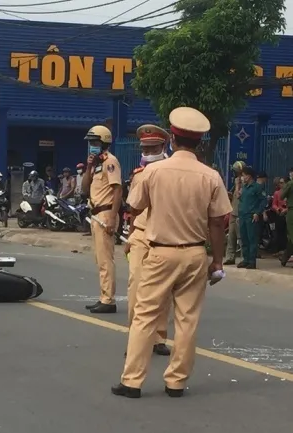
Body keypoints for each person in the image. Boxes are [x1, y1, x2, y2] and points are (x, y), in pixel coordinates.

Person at [112, 107, 232, 399]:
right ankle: (176, 382)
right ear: (199, 142)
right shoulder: (211, 176)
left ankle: (132, 382)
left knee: (145, 316)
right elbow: (219, 222)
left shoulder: (152, 172)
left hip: (160, 252)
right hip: (194, 254)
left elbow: (135, 207)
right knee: (187, 319)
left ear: (172, 140)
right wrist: (216, 260)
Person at [123, 124, 171, 357]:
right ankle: (137, 337)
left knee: (162, 290)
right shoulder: (138, 175)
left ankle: (159, 337)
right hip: (142, 234)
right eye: (145, 148)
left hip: (165, 235)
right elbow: (133, 209)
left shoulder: (173, 172)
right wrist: (130, 236)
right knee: (136, 286)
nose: (149, 152)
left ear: (163, 146)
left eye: (153, 147)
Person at [81, 125, 122, 314]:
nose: (92, 146)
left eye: (95, 142)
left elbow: (117, 190)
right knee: (100, 259)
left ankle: (108, 300)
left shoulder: (110, 162)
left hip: (106, 214)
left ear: (104, 143)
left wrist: (113, 218)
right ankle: (103, 296)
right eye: (90, 143)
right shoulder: (96, 164)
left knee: (106, 259)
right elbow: (84, 188)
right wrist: (89, 166)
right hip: (96, 214)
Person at [236, 166, 267, 269]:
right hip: (243, 215)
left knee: (252, 239)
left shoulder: (257, 187)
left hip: (251, 216)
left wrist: (257, 212)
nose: (242, 177)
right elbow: (242, 201)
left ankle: (252, 261)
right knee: (244, 239)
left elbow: (263, 201)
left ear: (248, 176)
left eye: (243, 175)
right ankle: (246, 259)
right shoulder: (244, 187)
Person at [224, 161, 245, 265]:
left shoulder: (244, 182)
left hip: (240, 212)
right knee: (231, 235)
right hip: (233, 211)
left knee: (241, 236)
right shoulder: (237, 180)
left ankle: (243, 258)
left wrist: (237, 185)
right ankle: (230, 256)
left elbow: (238, 195)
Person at [278, 168, 293, 266]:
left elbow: (281, 196)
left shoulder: (290, 184)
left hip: (292, 211)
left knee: (291, 236)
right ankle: (285, 257)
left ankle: (285, 257)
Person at [272, 177, 288, 252]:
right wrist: (277, 209)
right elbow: (274, 204)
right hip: (280, 214)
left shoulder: (289, 192)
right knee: (279, 232)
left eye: (282, 183)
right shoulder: (277, 193)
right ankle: (280, 249)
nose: (280, 184)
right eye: (280, 183)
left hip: (288, 214)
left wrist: (286, 210)